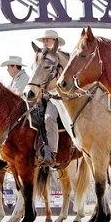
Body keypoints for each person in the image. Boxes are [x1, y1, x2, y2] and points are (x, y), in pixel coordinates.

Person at [34, 30, 66, 167]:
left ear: (55, 42)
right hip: (44, 95)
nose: (45, 42)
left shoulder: (63, 58)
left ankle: (52, 152)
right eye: (44, 40)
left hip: (59, 96)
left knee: (49, 118)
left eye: (48, 40)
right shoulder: (39, 58)